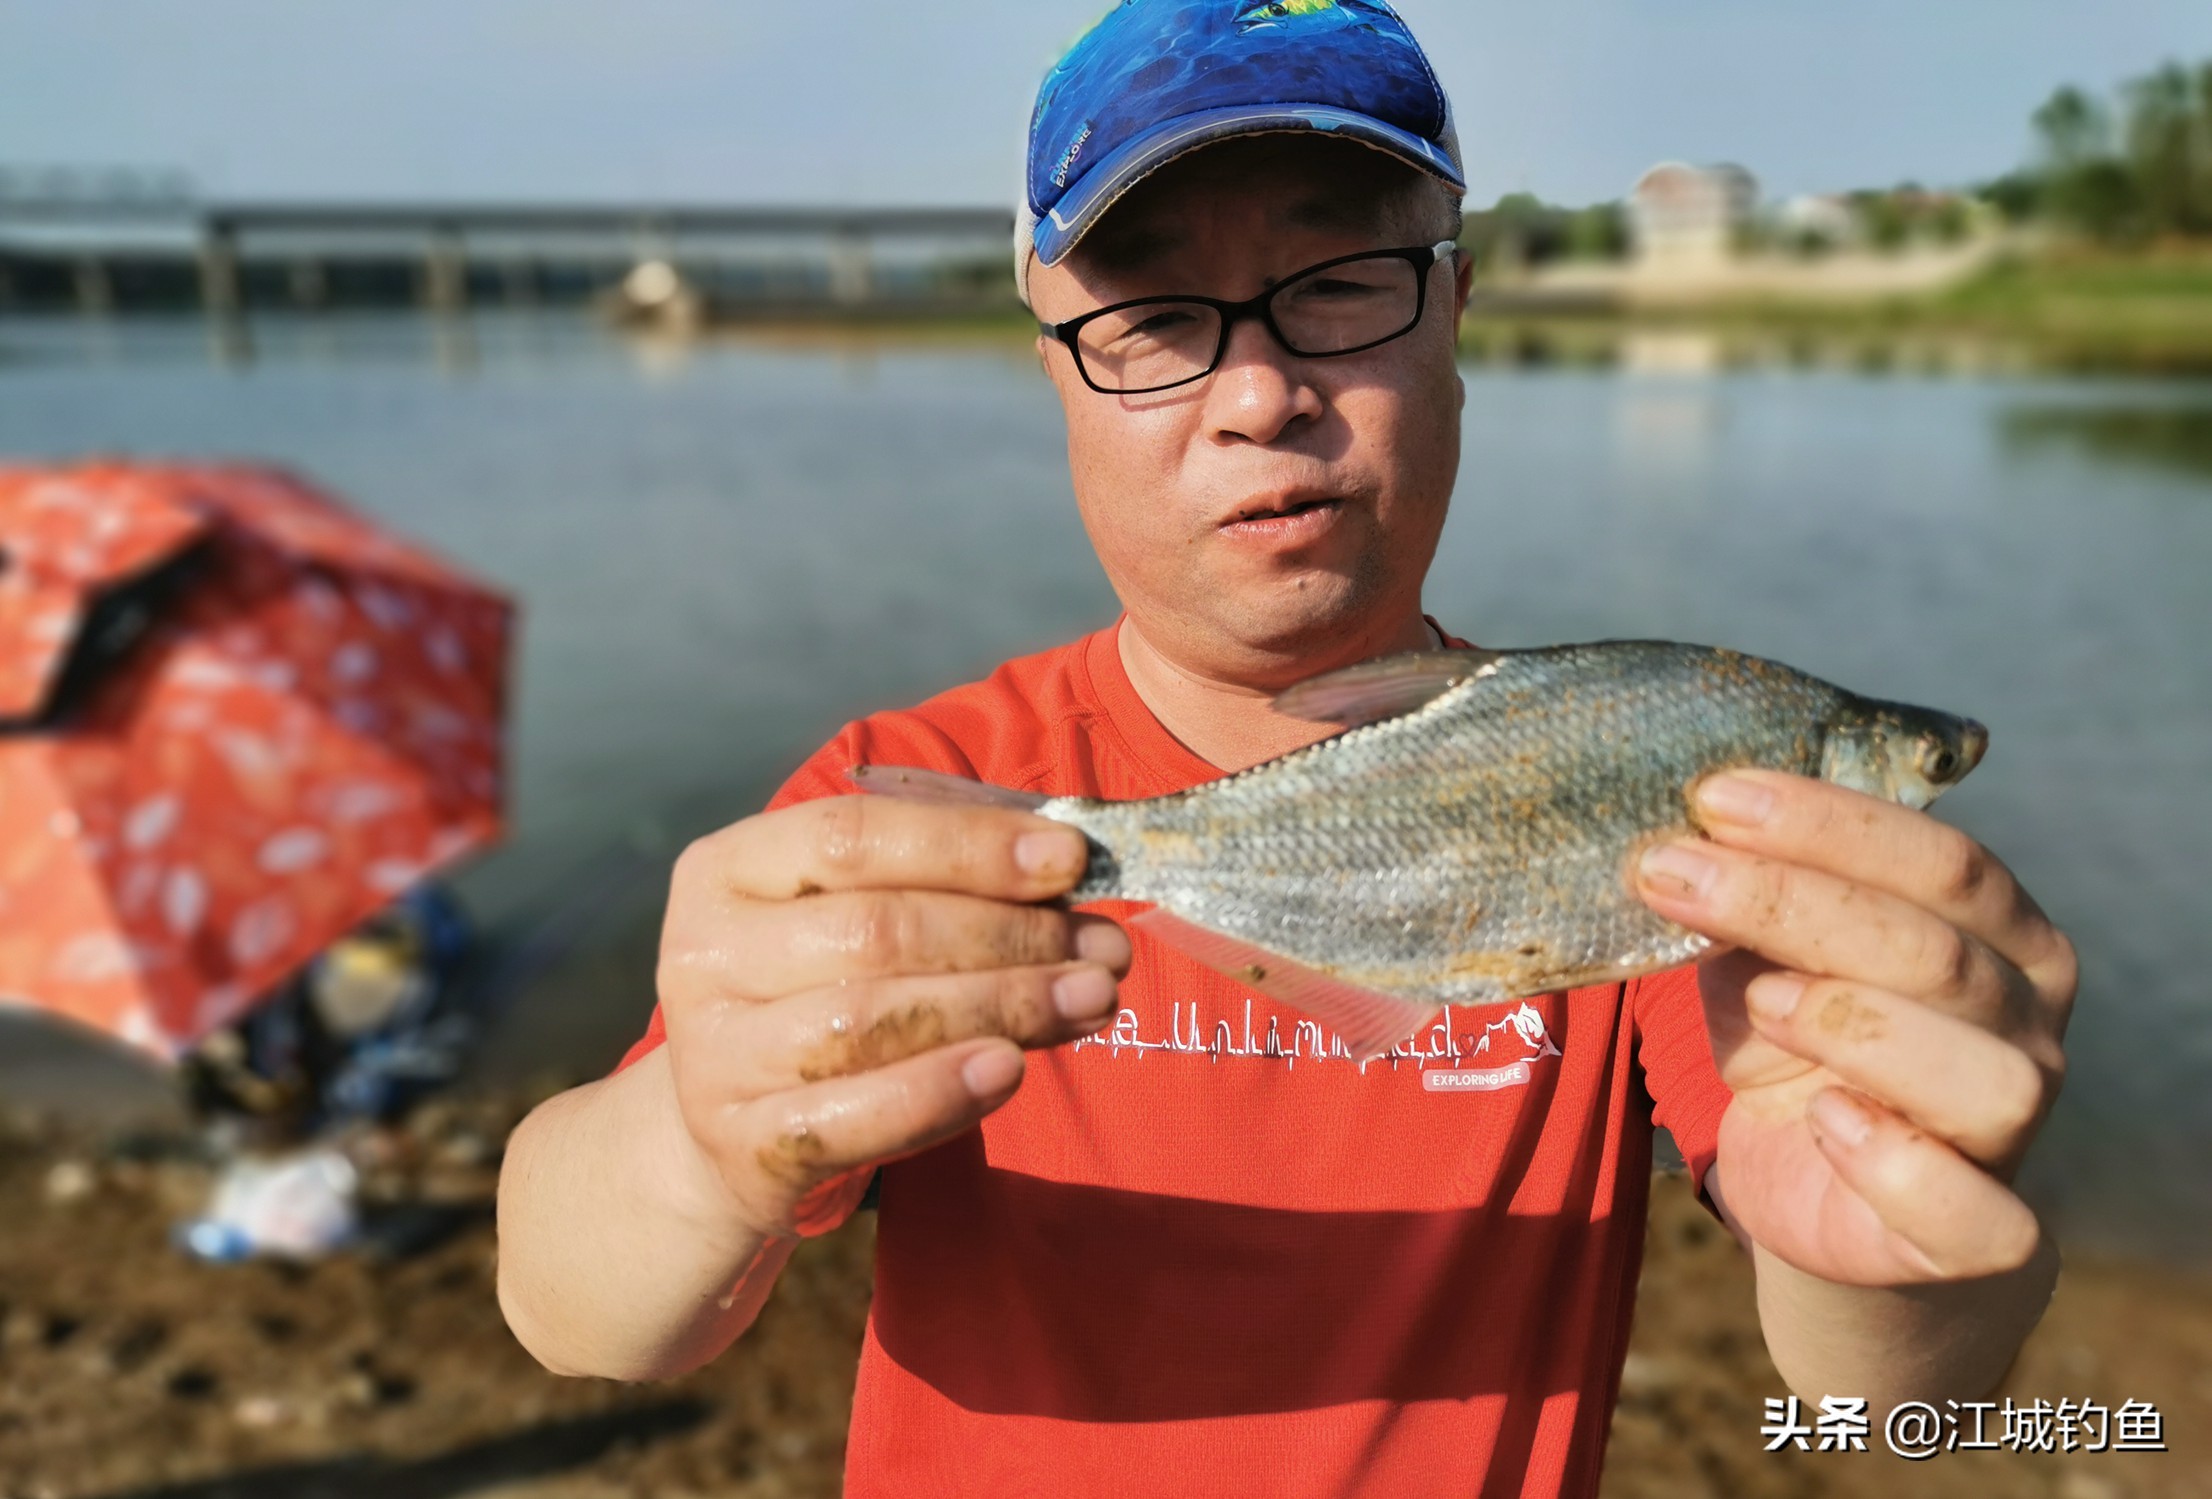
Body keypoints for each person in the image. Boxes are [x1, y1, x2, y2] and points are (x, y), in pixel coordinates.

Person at [496, 4, 2076, 1494]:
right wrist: (701, 1149)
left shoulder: (1668, 820)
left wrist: (1887, 1232)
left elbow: (1895, 1405)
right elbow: (583, 1319)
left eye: (1337, 285)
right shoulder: (925, 797)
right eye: (1155, 316)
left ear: (1455, 302)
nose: (1260, 393)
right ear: (1055, 357)